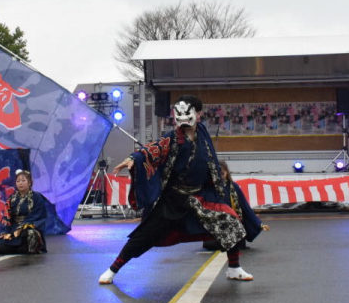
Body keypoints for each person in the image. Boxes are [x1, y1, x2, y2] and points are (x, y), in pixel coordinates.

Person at [99, 95, 253, 283]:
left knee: (231, 221)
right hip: (173, 200)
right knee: (145, 236)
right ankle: (113, 270)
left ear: (198, 114)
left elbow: (209, 161)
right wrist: (133, 158)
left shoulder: (202, 133)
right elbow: (152, 149)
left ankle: (234, 269)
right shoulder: (172, 139)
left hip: (199, 196)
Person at [202, 160, 269, 250]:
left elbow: (245, 207)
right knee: (209, 244)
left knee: (238, 243)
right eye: (217, 174)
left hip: (233, 221)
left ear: (227, 173)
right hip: (218, 222)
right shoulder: (210, 188)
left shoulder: (234, 187)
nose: (220, 176)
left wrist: (259, 224)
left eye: (222, 173)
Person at [0, 169, 56, 255]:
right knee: (1, 245)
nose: (20, 183)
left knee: (30, 234)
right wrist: (5, 230)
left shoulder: (36, 197)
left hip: (28, 226)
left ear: (29, 182)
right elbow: (7, 216)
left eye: (23, 180)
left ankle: (25, 247)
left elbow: (38, 214)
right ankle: (19, 248)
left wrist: (24, 225)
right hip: (14, 228)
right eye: (18, 181)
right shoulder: (12, 198)